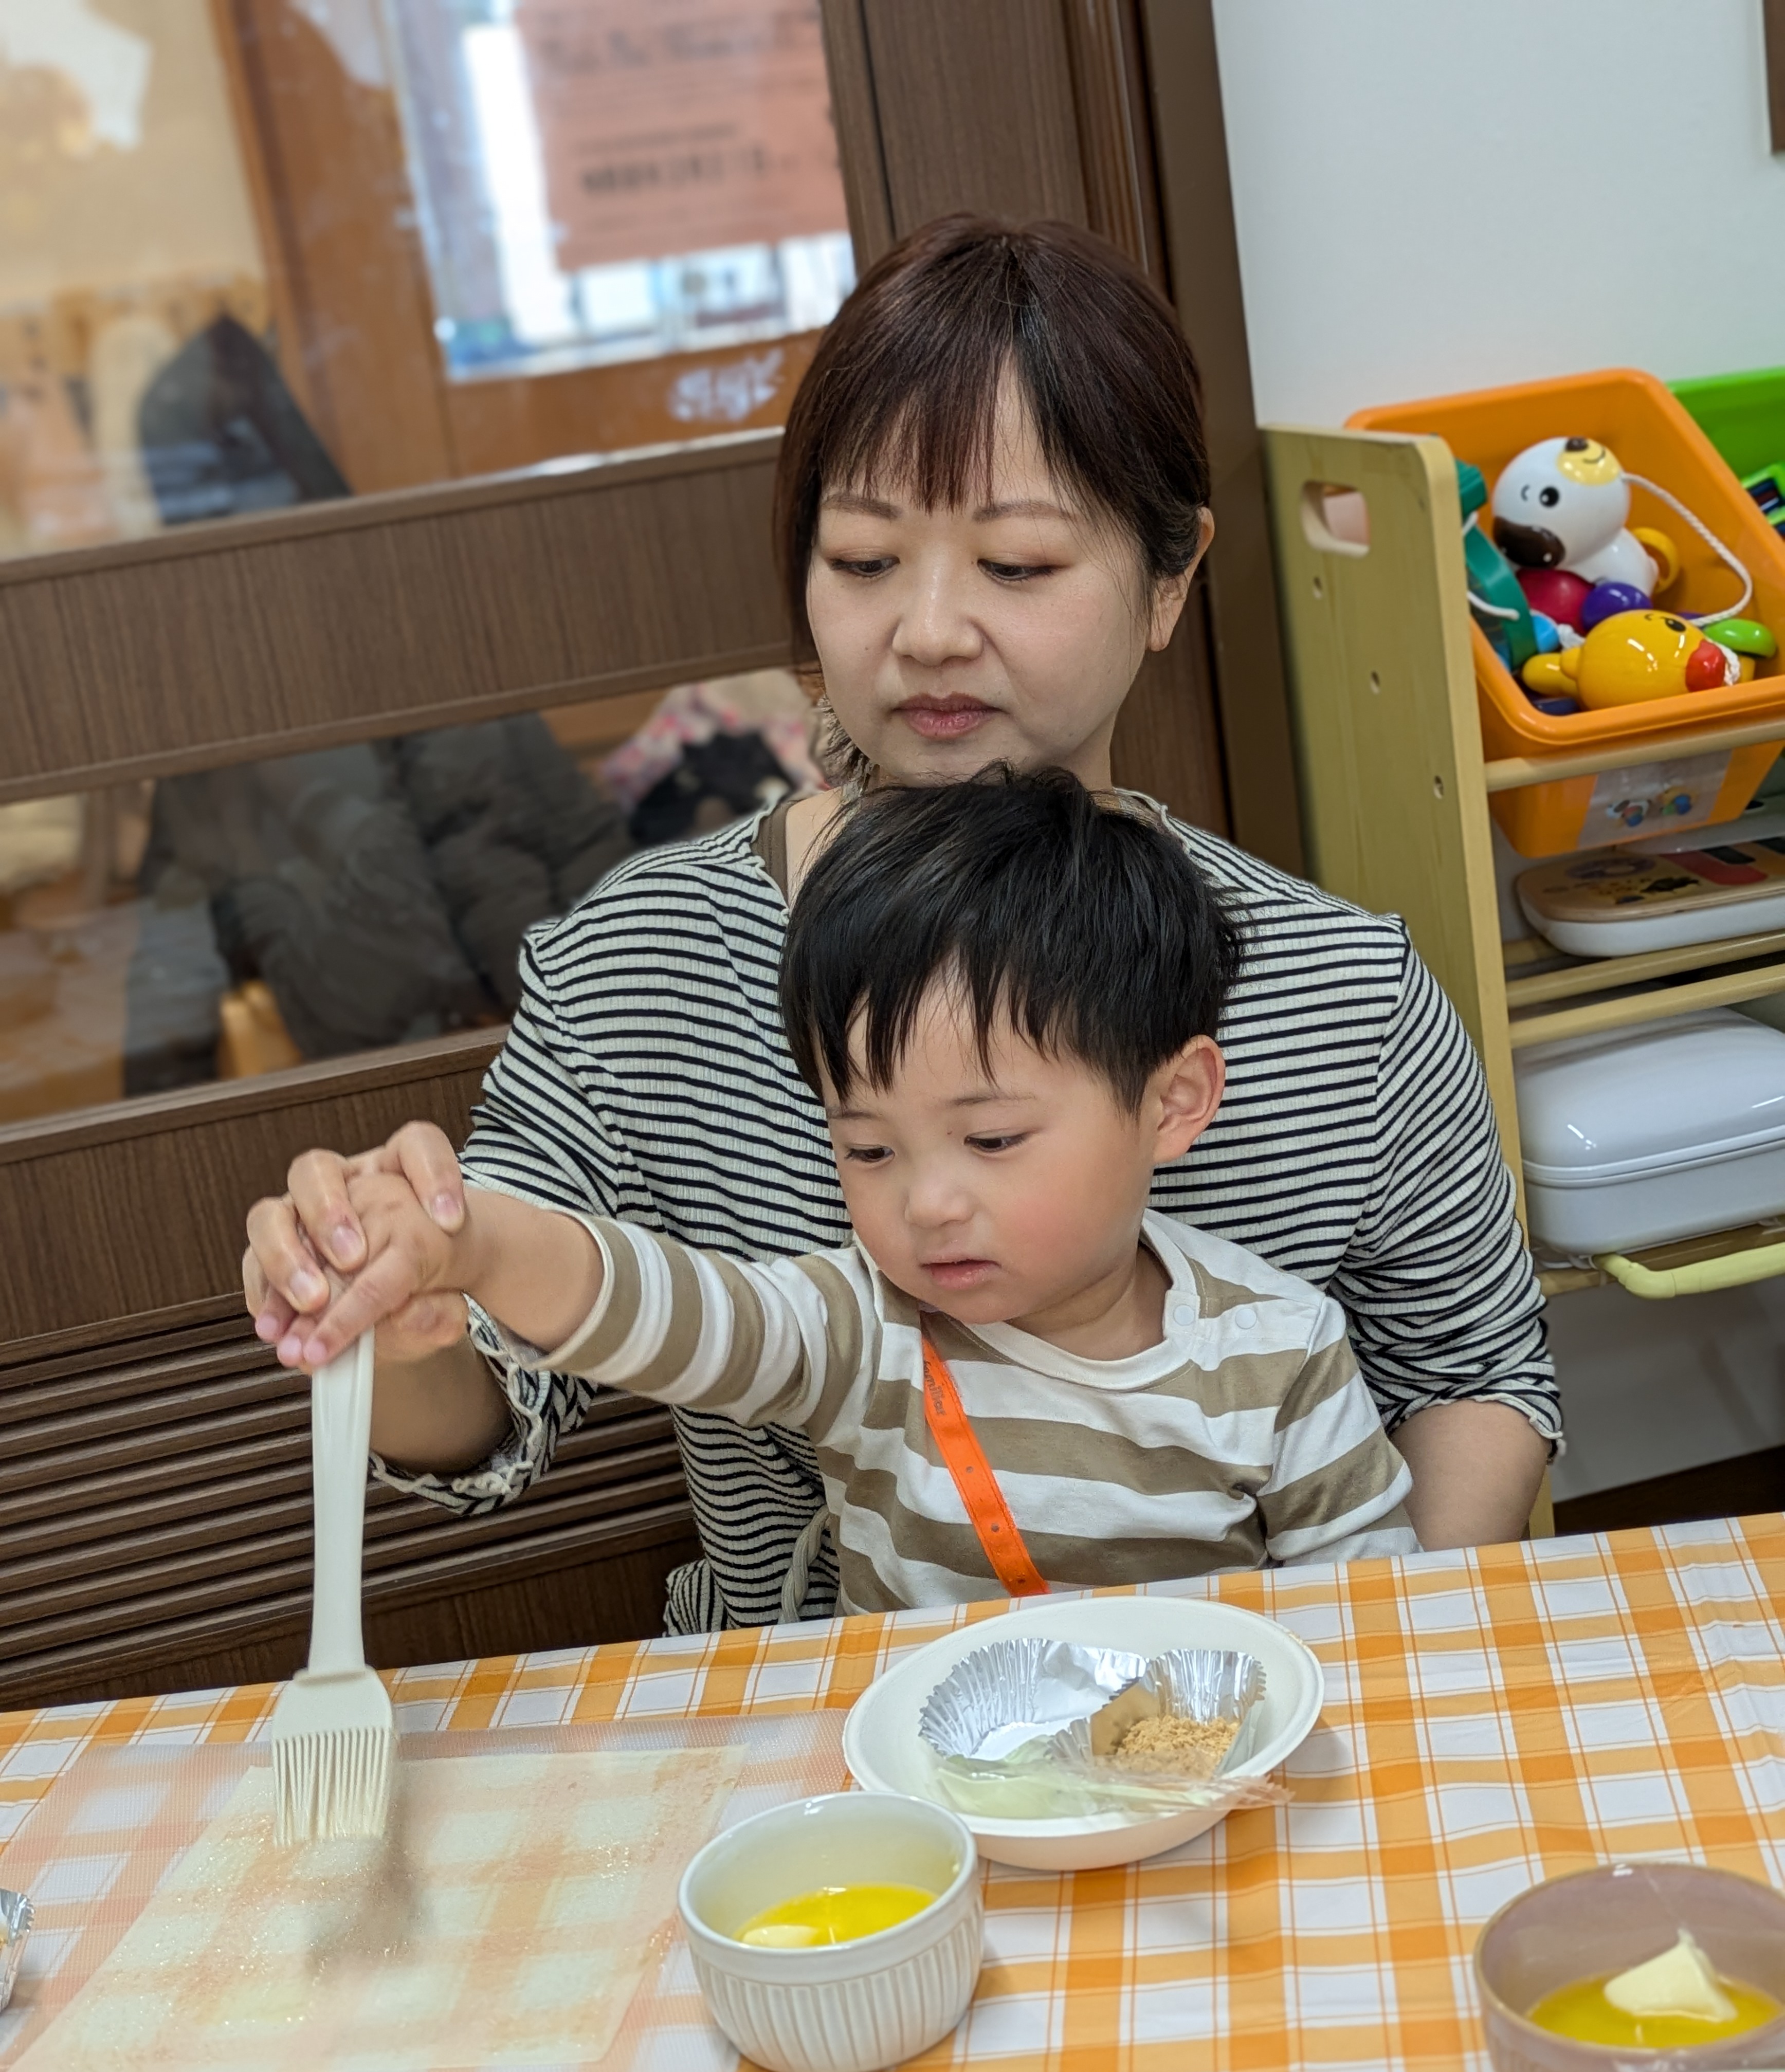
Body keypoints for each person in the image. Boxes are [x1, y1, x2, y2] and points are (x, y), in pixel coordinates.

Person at [243, 214, 1557, 1634]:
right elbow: (496, 1409)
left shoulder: (1338, 990)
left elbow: (1479, 1375)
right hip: (827, 1729)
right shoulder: (641, 969)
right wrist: (401, 1307)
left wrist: (1366, 1652)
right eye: (867, 561)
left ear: (1170, 577)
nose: (929, 630)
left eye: (1019, 566)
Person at [280, 774, 1418, 1611]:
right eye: (867, 1149)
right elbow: (661, 1308)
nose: (925, 1202)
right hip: (928, 1814)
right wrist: (473, 1243)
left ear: (1171, 1103)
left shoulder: (1280, 1350)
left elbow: (1376, 1627)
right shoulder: (858, 1326)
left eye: (990, 1135)